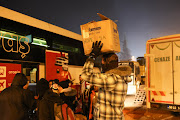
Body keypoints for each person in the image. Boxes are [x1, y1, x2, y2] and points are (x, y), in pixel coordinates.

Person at [80, 41, 132, 120]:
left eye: (102, 61)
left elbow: (85, 75)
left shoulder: (111, 79)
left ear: (106, 62)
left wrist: (92, 57)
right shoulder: (120, 78)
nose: (101, 63)